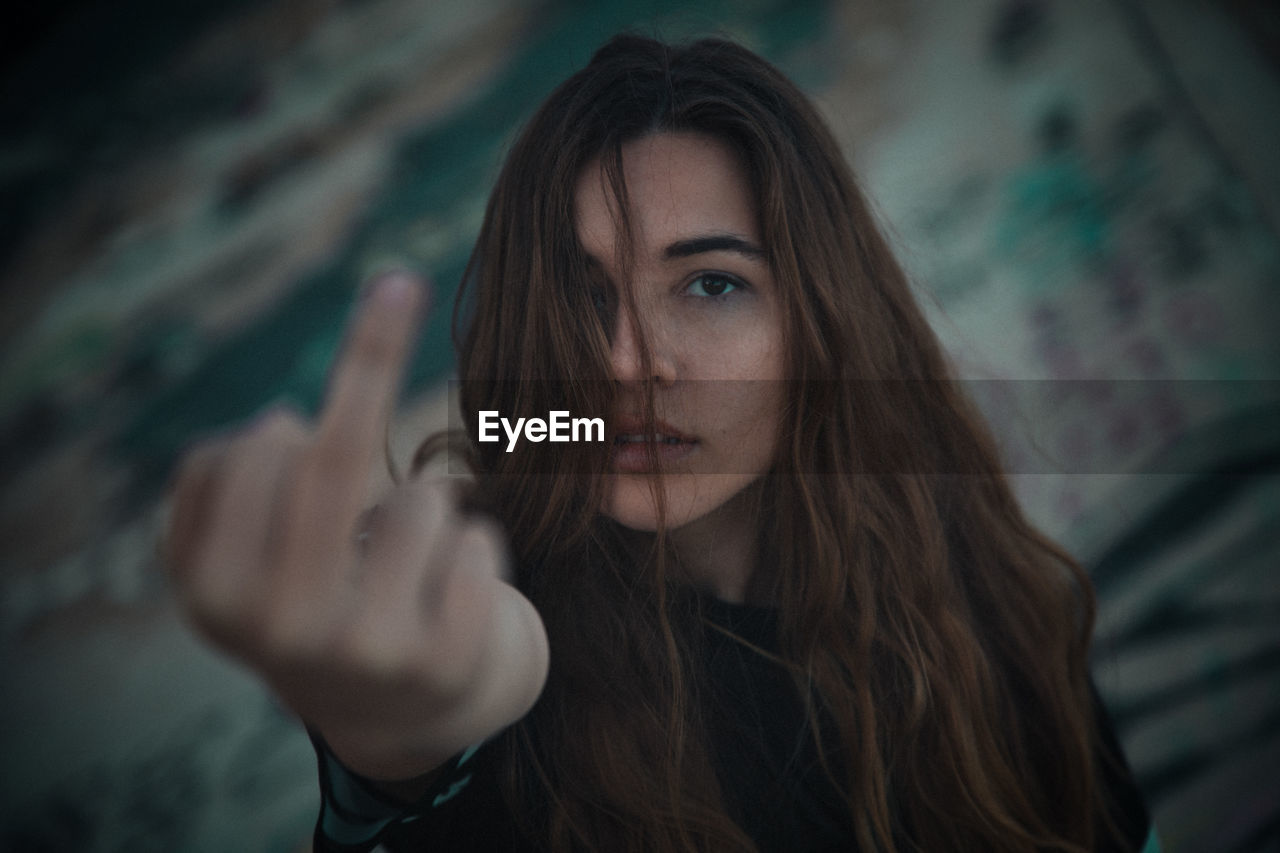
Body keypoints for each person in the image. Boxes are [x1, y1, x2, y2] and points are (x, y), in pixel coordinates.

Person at [165, 34, 1156, 853]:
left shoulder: (980, 589)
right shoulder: (482, 609)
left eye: (710, 283)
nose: (626, 365)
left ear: (819, 320)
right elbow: (454, 701)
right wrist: (403, 741)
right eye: (583, 296)